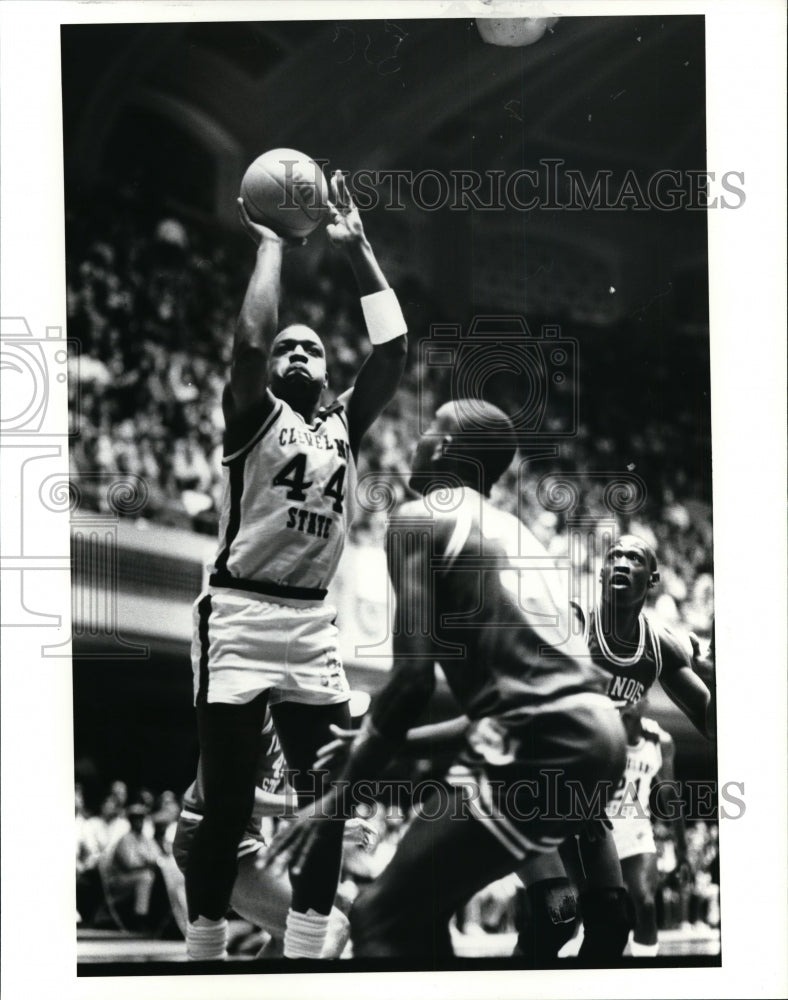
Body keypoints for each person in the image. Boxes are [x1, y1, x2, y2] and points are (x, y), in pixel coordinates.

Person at [265, 399, 630, 959]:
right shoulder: (522, 536)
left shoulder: (418, 518)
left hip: (538, 740)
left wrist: (337, 797)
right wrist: (389, 742)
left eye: (429, 428)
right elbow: (507, 704)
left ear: (444, 447)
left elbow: (411, 683)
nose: (417, 439)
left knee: (379, 918)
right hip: (594, 735)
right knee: (426, 911)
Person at [184, 168, 408, 960]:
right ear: (274, 370)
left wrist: (357, 249)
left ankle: (310, 950)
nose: (303, 352)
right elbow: (248, 341)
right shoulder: (250, 416)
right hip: (240, 613)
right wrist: (273, 246)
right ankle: (204, 949)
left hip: (312, 621)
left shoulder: (345, 420)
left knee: (329, 792)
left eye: (313, 347)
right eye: (291, 348)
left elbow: (394, 347)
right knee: (229, 802)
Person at [517, 534, 716, 961]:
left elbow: (714, 726)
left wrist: (715, 674)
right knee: (558, 913)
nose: (622, 561)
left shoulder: (660, 646)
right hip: (534, 777)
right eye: (615, 555)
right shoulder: (575, 621)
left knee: (612, 921)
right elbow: (532, 704)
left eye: (634, 557)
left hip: (584, 798)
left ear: (654, 578)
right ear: (603, 572)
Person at [173, 706, 376, 958]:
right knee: (333, 926)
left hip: (246, 838)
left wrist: (333, 822)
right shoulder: (247, 709)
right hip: (208, 836)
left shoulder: (287, 721)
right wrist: (319, 809)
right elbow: (230, 797)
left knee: (337, 906)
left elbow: (279, 801)